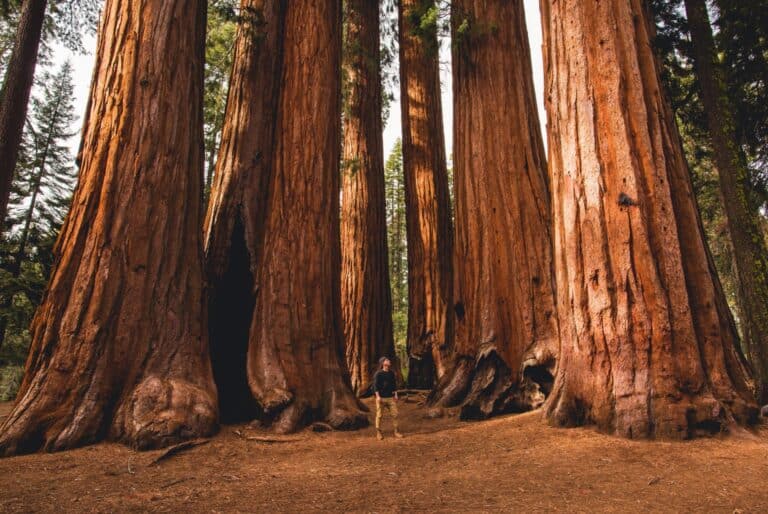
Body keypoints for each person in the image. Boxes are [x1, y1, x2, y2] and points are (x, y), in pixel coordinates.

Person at [373, 357, 402, 440]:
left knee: (395, 414)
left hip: (390, 398)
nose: (389, 361)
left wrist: (395, 394)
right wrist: (378, 396)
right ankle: (378, 432)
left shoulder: (391, 373)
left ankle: (396, 431)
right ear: (383, 363)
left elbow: (394, 384)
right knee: (379, 415)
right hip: (381, 398)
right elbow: (375, 386)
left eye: (388, 360)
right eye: (387, 360)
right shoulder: (378, 374)